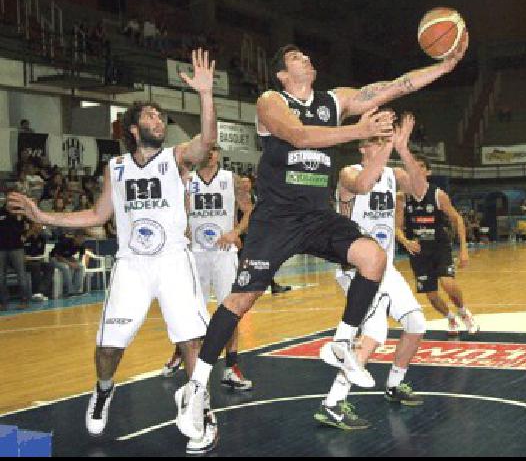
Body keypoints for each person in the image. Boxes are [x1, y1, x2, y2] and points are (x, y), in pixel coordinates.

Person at [175, 36, 468, 443]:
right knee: (240, 300)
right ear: (282, 73)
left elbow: (396, 85)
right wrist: (359, 130)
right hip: (276, 218)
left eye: (306, 54)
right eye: (296, 57)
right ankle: (195, 385)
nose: (306, 58)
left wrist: (445, 66)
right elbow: (298, 137)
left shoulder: (334, 100)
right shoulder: (270, 101)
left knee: (373, 258)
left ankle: (343, 343)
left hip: (316, 216)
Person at [8, 49, 218, 453]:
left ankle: (200, 410)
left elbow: (205, 142)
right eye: (152, 116)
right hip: (132, 266)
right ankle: (104, 390)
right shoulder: (117, 168)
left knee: (192, 341)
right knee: (107, 349)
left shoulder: (176, 159)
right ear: (134, 129)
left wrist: (206, 95)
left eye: (161, 116)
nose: (159, 120)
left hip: (174, 260)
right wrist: (42, 215)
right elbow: (97, 213)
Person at [317, 113, 428, 430]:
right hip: (358, 268)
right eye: (378, 140)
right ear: (363, 147)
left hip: (386, 266)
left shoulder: (393, 175)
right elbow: (365, 183)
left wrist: (404, 149)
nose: (384, 144)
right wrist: (389, 144)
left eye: (385, 139)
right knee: (375, 333)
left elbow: (420, 189)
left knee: (416, 323)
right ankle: (333, 403)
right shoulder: (349, 174)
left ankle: (394, 383)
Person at [161, 144, 255, 393]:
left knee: (230, 310)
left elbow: (250, 212)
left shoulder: (231, 180)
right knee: (189, 312)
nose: (210, 155)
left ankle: (231, 367)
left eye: (214, 151)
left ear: (219, 155)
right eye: (207, 151)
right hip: (195, 254)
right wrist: (182, 229)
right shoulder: (186, 181)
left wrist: (235, 231)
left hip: (224, 254)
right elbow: (173, 212)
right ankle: (180, 353)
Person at [396, 155, 478, 337]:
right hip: (418, 252)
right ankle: (450, 317)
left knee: (447, 284)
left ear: (428, 171)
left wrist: (464, 249)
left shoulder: (438, 194)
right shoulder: (402, 198)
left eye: (420, 167)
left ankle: (464, 312)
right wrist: (405, 242)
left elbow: (457, 219)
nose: (415, 171)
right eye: (412, 167)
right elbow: (397, 227)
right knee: (432, 295)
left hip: (439, 247)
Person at [1, 193, 32, 310]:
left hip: (17, 248)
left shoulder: (21, 212)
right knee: (0, 277)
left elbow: (36, 225)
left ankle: (24, 300)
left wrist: (26, 235)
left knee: (21, 275)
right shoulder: (1, 211)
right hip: (1, 249)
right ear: (6, 200)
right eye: (9, 200)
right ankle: (3, 302)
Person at [49, 229, 88, 296]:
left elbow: (81, 257)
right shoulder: (65, 242)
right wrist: (70, 263)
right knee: (66, 267)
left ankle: (76, 290)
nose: (82, 240)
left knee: (80, 266)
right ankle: (69, 291)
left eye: (83, 238)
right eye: (81, 238)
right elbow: (57, 256)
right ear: (75, 237)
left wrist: (77, 263)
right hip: (54, 258)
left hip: (67, 258)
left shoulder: (82, 245)